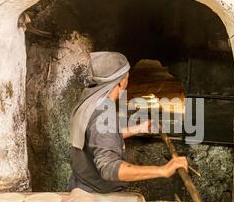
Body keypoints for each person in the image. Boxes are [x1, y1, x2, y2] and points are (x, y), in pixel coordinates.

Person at [68, 52, 188, 193]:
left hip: (81, 183)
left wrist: (138, 128)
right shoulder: (105, 115)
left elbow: (98, 137)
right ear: (121, 81)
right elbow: (109, 168)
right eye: (127, 74)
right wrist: (163, 170)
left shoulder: (89, 101)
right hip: (98, 197)